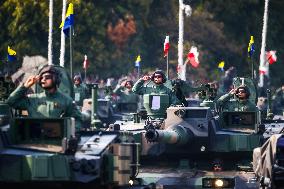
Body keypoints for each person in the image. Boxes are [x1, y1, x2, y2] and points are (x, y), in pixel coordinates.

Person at [6, 65, 83, 130]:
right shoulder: (32, 99)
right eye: (41, 77)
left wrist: (68, 132)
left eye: (47, 77)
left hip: (57, 141)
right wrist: (25, 86)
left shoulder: (66, 100)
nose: (43, 80)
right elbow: (11, 101)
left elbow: (78, 120)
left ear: (56, 79)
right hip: (32, 141)